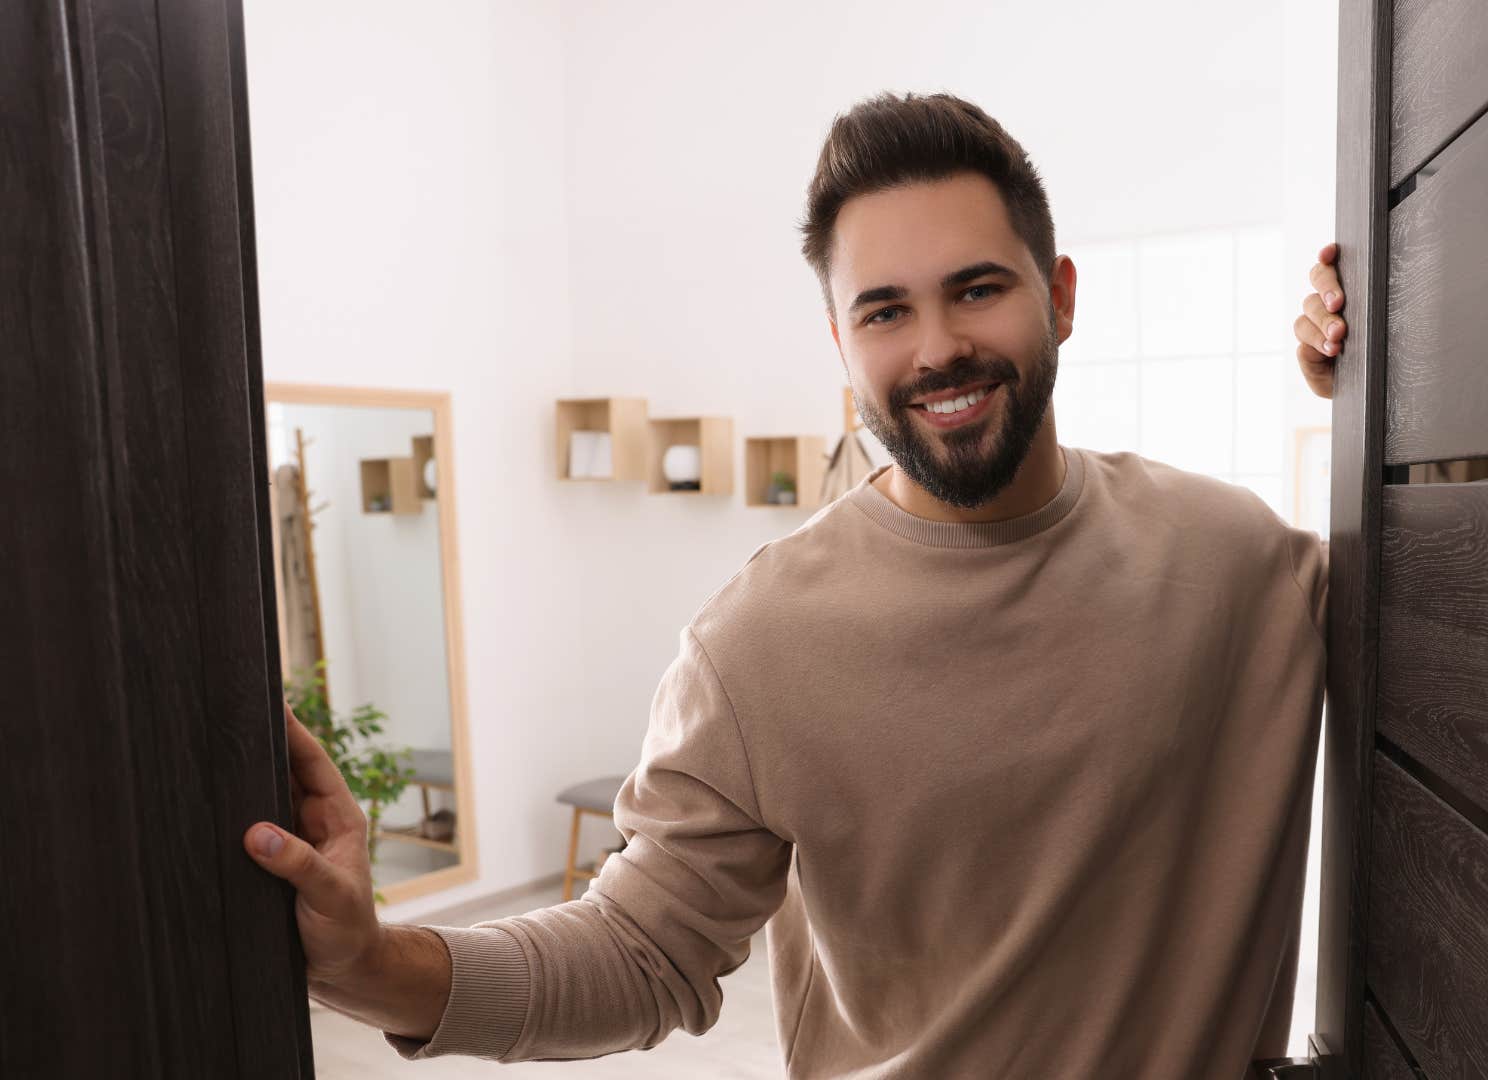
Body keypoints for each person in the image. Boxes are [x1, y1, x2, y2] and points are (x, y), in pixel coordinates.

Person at [244, 91, 1352, 1079]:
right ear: (839, 339)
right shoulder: (758, 645)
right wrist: (375, 964)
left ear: (1059, 295)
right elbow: (639, 951)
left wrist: (1378, 370)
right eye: (885, 311)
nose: (936, 349)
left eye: (977, 289)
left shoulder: (1241, 565)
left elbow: (1468, 589)